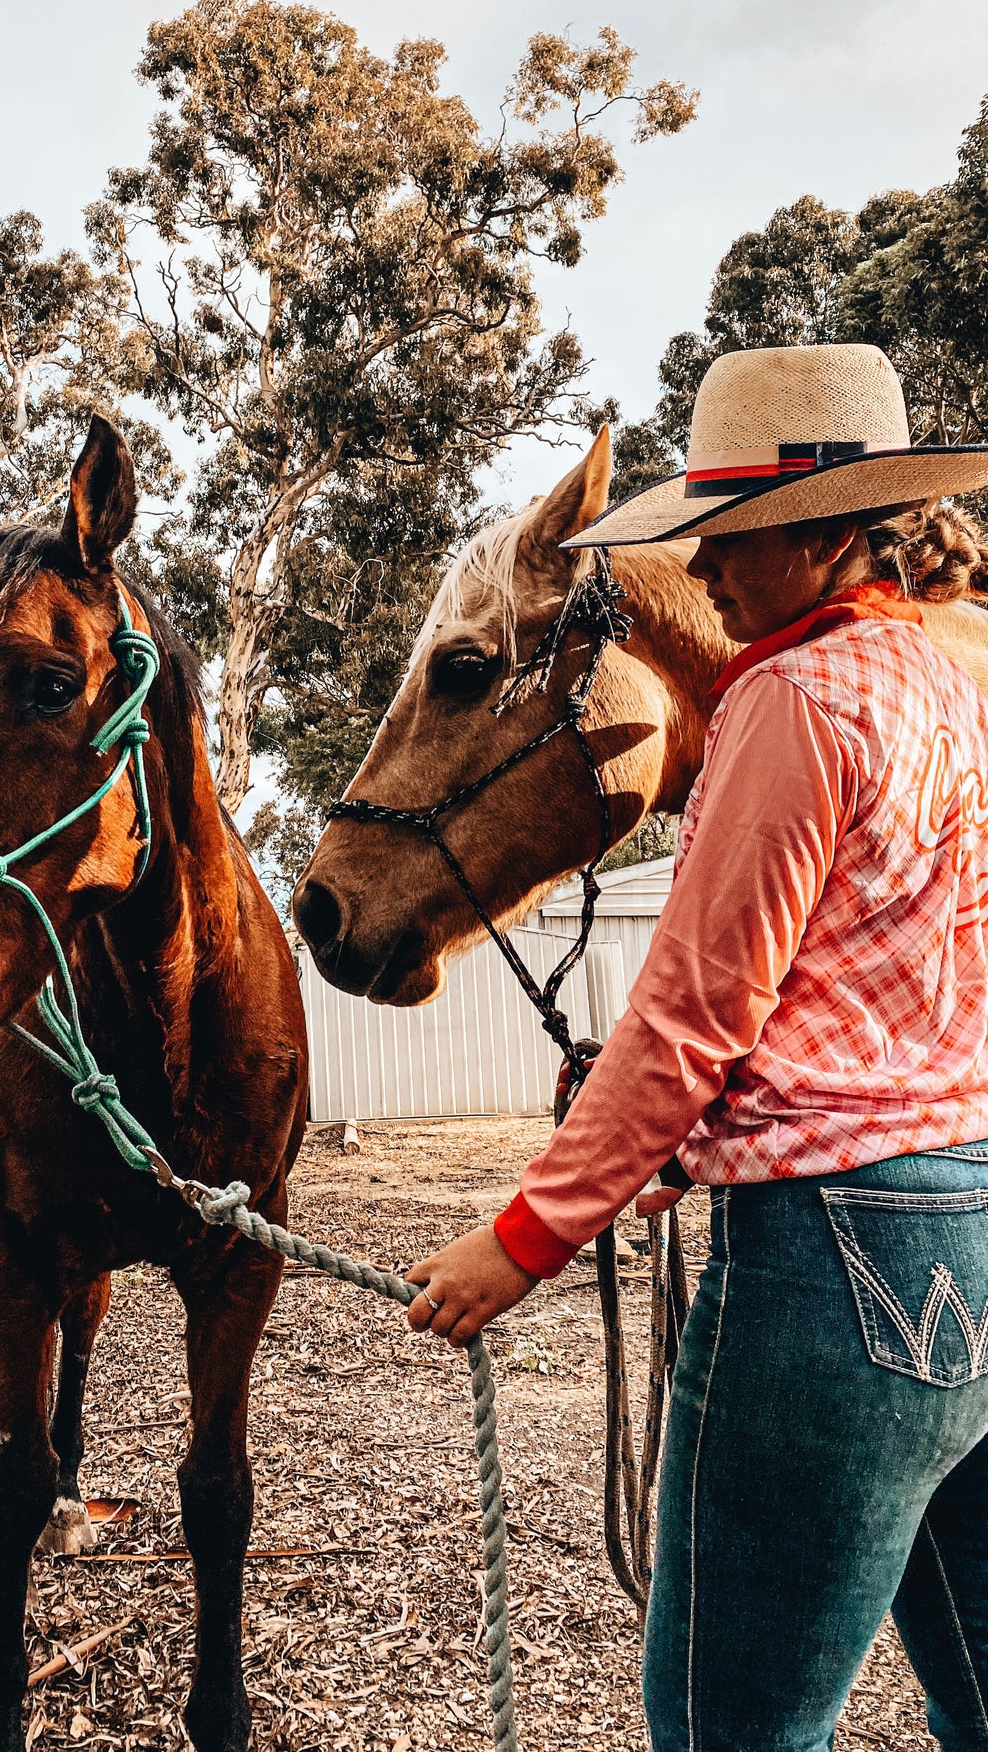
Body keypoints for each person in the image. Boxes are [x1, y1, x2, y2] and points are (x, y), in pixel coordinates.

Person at [405, 343, 988, 1751]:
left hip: (824, 1267)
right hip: (968, 1220)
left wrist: (529, 1232)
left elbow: (692, 1008)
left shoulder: (785, 702)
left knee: (726, 1727)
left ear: (824, 528)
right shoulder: (933, 682)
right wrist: (694, 1141)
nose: (708, 567)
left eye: (732, 534)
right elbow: (875, 981)